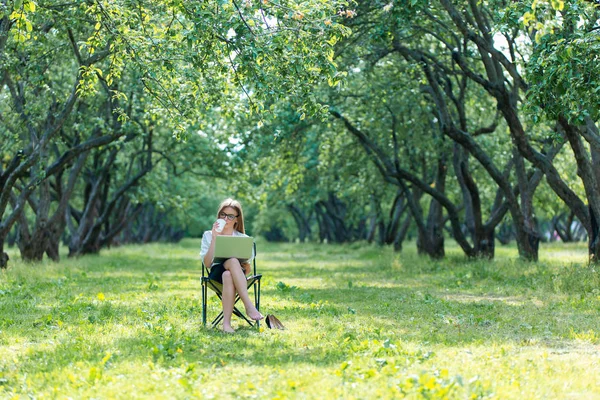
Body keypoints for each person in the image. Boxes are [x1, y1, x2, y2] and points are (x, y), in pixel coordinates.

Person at [200, 198, 264, 332]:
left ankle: (227, 325)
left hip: (235, 275)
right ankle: (249, 306)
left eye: (230, 216)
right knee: (232, 261)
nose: (226, 219)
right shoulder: (208, 235)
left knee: (228, 274)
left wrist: (245, 266)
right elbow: (207, 263)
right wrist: (215, 237)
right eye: (223, 215)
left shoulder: (243, 239)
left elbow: (247, 268)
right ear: (219, 216)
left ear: (237, 219)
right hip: (215, 273)